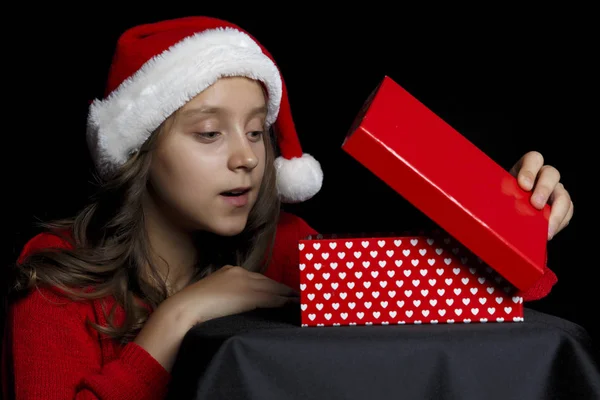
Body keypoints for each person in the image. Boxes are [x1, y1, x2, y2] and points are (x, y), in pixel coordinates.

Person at [2, 16, 574, 400]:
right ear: (141, 151)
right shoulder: (59, 274)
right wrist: (179, 318)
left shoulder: (284, 244)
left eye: (256, 133)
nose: (245, 159)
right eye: (208, 134)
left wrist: (520, 227)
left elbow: (428, 302)